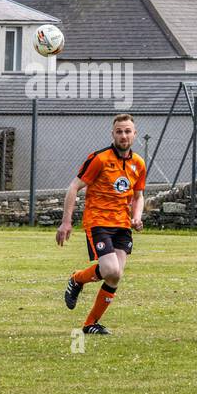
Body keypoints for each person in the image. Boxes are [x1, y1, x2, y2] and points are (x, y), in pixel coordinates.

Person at [58, 114, 146, 335]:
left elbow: (139, 195)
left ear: (134, 134)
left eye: (128, 131)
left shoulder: (138, 163)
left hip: (123, 225)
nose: (124, 135)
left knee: (115, 275)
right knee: (110, 269)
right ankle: (77, 278)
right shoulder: (99, 159)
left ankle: (90, 324)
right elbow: (73, 187)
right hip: (98, 222)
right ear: (113, 134)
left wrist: (137, 217)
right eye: (119, 131)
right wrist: (66, 222)